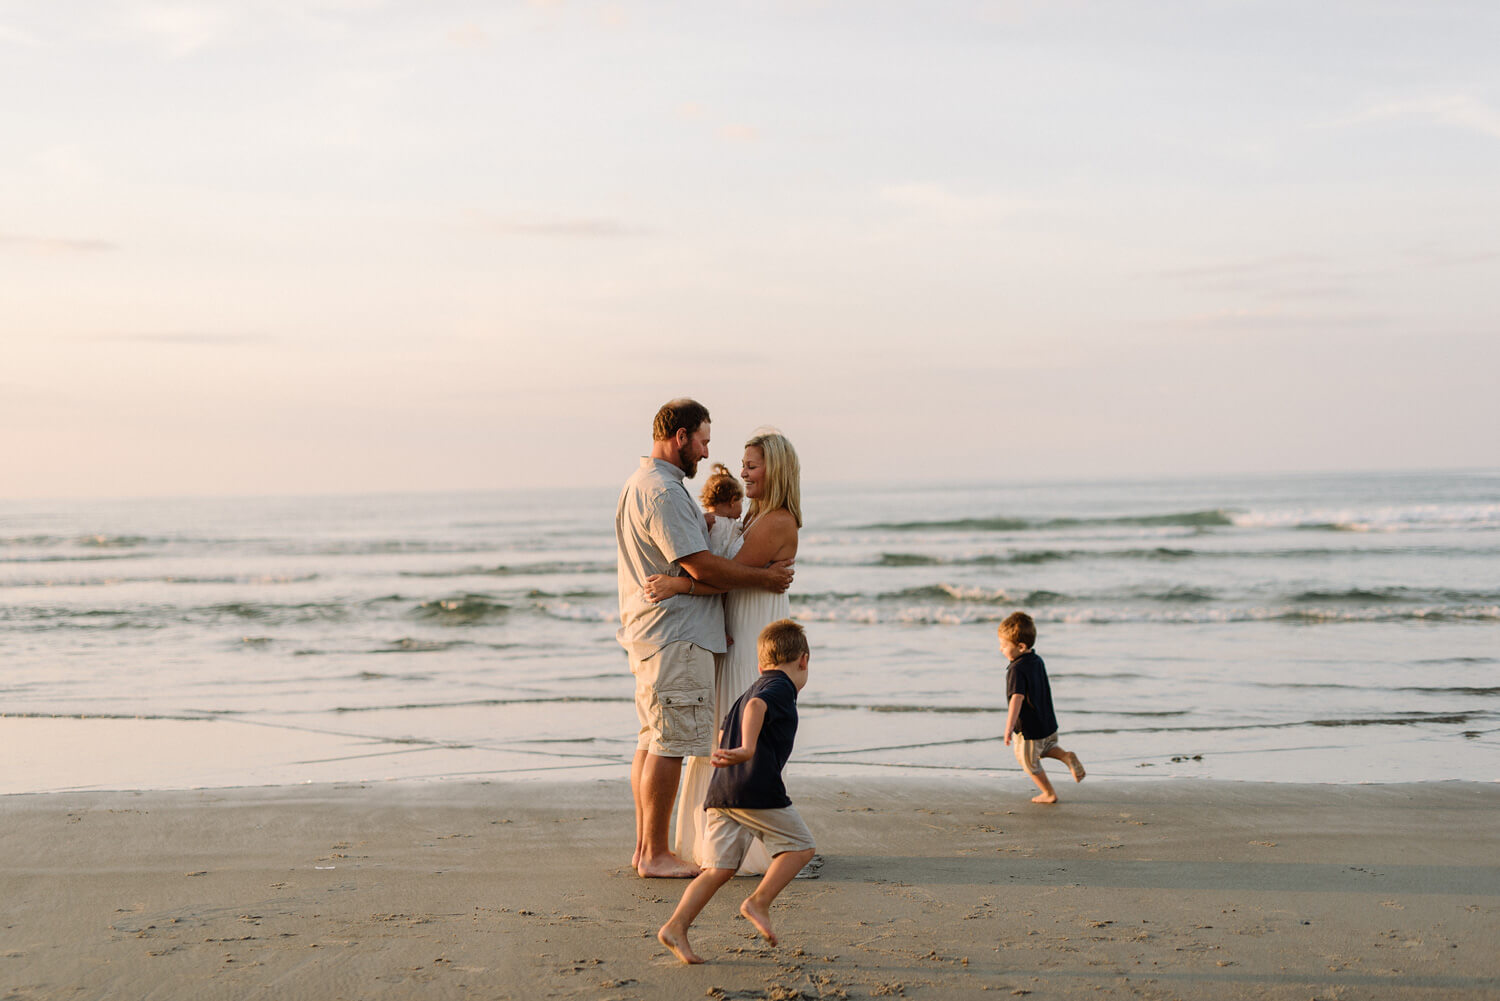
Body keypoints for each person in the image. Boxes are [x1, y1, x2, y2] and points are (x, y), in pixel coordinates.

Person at [616, 399, 795, 878]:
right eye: (703, 440)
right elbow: (702, 565)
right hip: (677, 634)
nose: (707, 451)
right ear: (680, 437)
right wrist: (764, 579)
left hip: (657, 632)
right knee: (670, 743)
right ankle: (654, 854)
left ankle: (645, 848)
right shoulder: (665, 493)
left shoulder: (644, 484)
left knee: (654, 739)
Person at [657, 619, 817, 964]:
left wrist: (731, 748)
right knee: (801, 848)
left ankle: (675, 926)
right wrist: (746, 750)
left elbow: (724, 730)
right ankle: (758, 902)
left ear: (760, 663)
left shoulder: (753, 687)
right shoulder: (779, 687)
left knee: (719, 868)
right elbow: (757, 709)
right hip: (755, 787)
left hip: (723, 792)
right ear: (803, 660)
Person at [1000, 611, 1085, 804]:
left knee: (1029, 763)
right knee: (1045, 747)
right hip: (1046, 721)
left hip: (1029, 728)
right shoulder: (1036, 660)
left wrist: (1008, 727)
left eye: (1004, 645)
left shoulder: (1015, 669)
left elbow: (1017, 699)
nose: (1001, 649)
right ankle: (1065, 756)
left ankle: (1048, 793)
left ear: (1021, 647)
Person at [698, 463, 744, 558]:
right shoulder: (708, 522)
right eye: (741, 501)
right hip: (721, 568)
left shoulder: (703, 520)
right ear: (732, 501)